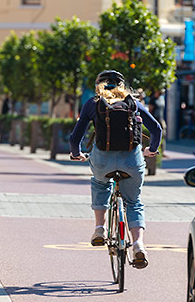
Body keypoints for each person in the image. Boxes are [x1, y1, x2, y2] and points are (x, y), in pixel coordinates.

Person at [69, 70, 161, 269]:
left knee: (100, 183)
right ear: (122, 86)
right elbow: (156, 129)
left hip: (103, 161)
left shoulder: (92, 104)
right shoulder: (133, 103)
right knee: (133, 202)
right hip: (132, 161)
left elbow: (75, 137)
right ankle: (138, 245)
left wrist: (76, 154)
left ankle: (100, 229)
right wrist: (151, 150)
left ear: (98, 86)